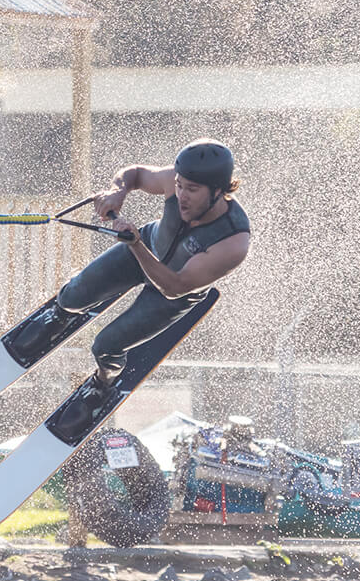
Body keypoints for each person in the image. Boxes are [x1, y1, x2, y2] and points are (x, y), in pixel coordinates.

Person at [16, 139, 252, 427]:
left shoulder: (234, 242)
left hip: (172, 293)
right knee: (71, 295)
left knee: (106, 346)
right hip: (147, 244)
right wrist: (118, 191)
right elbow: (136, 174)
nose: (181, 196)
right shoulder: (176, 181)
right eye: (179, 185)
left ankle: (102, 385)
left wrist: (136, 244)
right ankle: (60, 316)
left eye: (191, 190)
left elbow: (173, 286)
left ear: (218, 192)